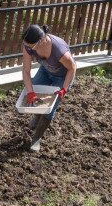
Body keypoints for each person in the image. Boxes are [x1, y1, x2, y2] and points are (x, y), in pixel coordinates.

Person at [21, 24, 76, 152]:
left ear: (42, 40)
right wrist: (30, 92)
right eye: (26, 45)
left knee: (49, 109)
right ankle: (37, 116)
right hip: (46, 71)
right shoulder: (28, 46)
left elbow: (72, 68)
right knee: (35, 90)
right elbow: (26, 70)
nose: (27, 48)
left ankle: (36, 139)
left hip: (62, 77)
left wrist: (64, 89)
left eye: (30, 46)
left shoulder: (59, 50)